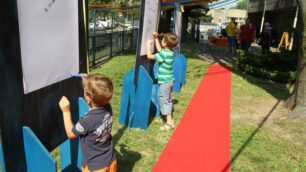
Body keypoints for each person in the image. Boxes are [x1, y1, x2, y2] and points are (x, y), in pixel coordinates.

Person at [58, 74, 117, 172]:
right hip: (111, 160)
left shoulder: (87, 121)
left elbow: (70, 133)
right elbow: (99, 93)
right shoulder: (107, 107)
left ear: (88, 99)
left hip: (95, 168)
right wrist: (89, 81)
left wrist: (66, 111)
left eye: (85, 91)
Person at [147, 32, 178, 131]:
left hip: (165, 83)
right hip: (169, 81)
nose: (162, 41)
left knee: (164, 101)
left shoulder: (164, 54)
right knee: (167, 99)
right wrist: (156, 39)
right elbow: (160, 50)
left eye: (162, 40)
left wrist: (148, 45)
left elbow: (149, 56)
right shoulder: (170, 52)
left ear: (165, 43)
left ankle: (169, 122)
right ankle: (166, 119)